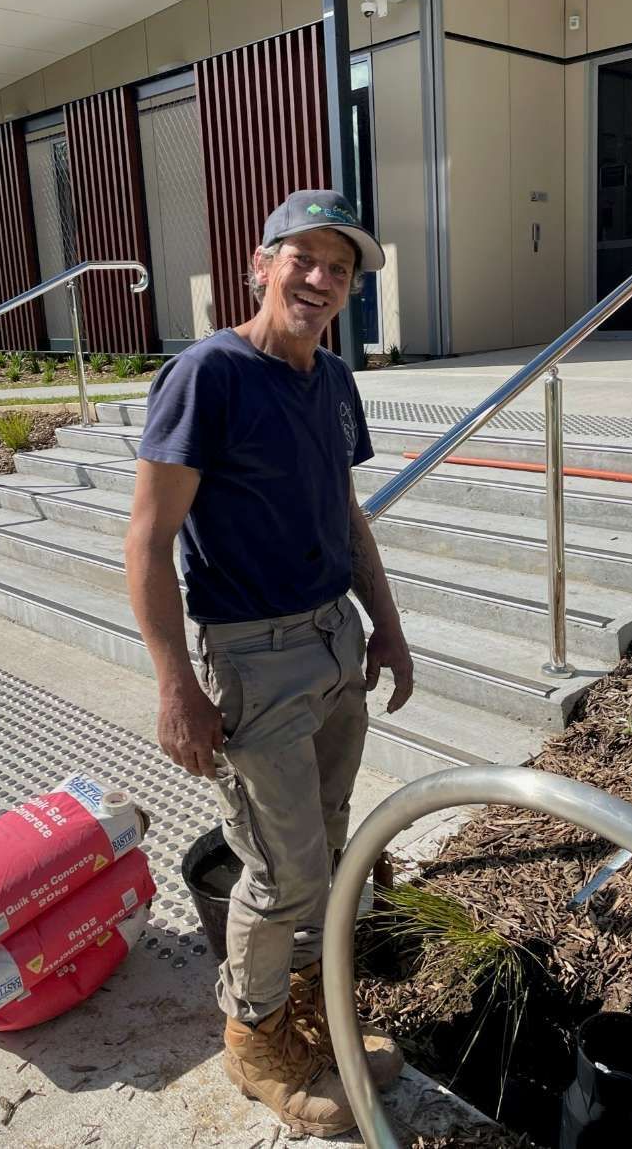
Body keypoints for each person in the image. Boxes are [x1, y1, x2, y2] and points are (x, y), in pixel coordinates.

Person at [125, 189, 414, 1138]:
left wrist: (387, 625)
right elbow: (147, 538)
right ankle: (253, 1041)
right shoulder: (209, 375)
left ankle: (301, 1015)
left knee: (324, 853)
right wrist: (177, 686)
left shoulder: (332, 380)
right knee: (278, 870)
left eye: (343, 269)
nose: (324, 280)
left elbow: (347, 511)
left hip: (332, 638)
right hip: (252, 655)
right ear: (262, 264)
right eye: (307, 259)